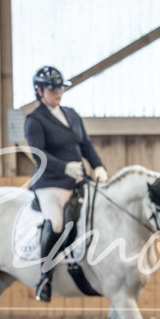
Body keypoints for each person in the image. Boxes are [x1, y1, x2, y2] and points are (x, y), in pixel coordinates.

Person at [24, 65, 108, 301]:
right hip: (51, 182)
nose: (57, 92)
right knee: (57, 222)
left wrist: (98, 166)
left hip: (79, 179)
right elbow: (38, 154)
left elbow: (86, 145)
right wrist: (64, 167)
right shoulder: (35, 120)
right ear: (39, 91)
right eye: (52, 88)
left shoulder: (71, 113)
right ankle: (45, 278)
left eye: (60, 87)